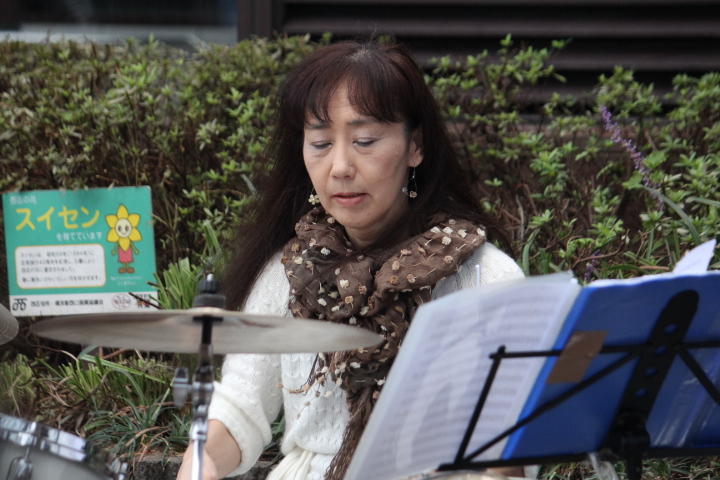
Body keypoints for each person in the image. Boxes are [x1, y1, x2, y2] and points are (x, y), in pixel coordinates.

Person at [177, 37, 528, 480]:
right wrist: (201, 464)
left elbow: (513, 454)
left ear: (415, 146)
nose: (340, 166)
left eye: (364, 140)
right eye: (320, 143)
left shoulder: (485, 279)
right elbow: (237, 412)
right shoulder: (290, 273)